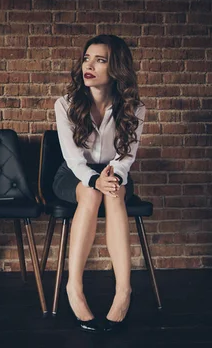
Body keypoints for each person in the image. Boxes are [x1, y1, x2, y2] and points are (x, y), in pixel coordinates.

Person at [53, 34, 145, 333]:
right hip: (74, 174)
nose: (88, 65)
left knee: (114, 194)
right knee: (92, 195)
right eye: (86, 58)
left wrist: (113, 177)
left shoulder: (134, 107)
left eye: (100, 60)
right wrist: (96, 180)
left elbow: (126, 156)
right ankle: (74, 289)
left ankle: (123, 292)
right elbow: (72, 158)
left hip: (112, 172)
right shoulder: (65, 104)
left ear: (116, 68)